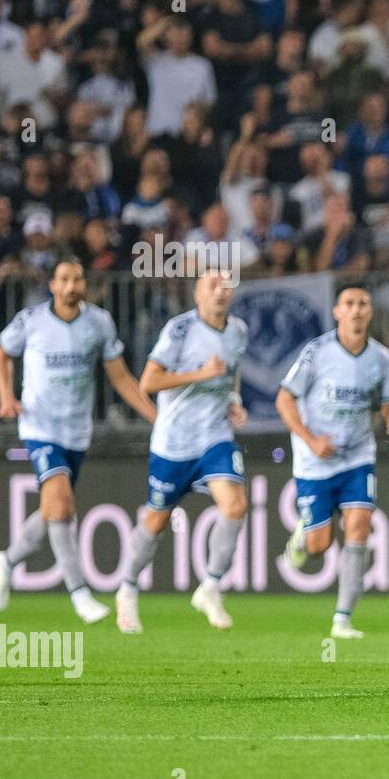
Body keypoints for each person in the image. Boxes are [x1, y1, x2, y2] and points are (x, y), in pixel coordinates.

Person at [0, 261, 155, 621]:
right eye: (63, 279)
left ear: (84, 284)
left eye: (77, 278)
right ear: (52, 285)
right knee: (62, 506)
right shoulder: (30, 320)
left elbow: (122, 378)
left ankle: (8, 559)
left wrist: (157, 417)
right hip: (39, 427)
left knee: (53, 509)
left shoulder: (98, 323)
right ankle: (79, 592)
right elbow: (2, 354)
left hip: (76, 431)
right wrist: (5, 396)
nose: (71, 285)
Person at [114, 268, 250, 633]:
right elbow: (149, 381)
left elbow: (230, 374)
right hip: (174, 443)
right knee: (156, 520)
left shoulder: (238, 331)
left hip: (215, 437)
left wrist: (233, 400)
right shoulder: (180, 329)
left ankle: (211, 585)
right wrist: (199, 374)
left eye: (225, 285)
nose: (221, 291)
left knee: (235, 506)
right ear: (198, 295)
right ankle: (127, 588)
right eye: (212, 285)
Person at [277, 282, 389, 638]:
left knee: (359, 527)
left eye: (363, 303)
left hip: (357, 456)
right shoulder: (316, 352)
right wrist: (310, 439)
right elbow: (284, 400)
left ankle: (342, 619)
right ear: (337, 312)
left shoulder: (380, 357)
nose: (357, 309)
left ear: (370, 312)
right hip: (314, 460)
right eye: (349, 303)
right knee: (319, 547)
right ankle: (304, 536)